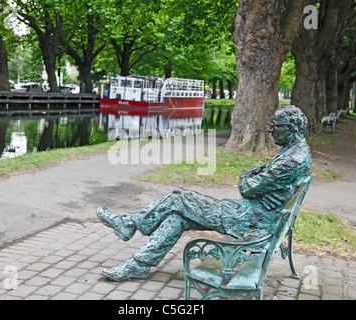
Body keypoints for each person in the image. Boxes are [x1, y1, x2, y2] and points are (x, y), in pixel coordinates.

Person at [97, 105, 312, 281]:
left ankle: (129, 224)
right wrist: (253, 175)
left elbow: (247, 188)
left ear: (291, 127)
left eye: (276, 126)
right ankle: (138, 264)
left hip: (249, 220)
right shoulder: (295, 151)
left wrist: (249, 175)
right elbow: (254, 180)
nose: (271, 130)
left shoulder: (293, 160)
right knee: (177, 216)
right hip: (253, 214)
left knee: (178, 197)